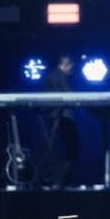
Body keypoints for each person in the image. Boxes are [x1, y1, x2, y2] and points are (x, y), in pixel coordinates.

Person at [42, 54, 79, 186]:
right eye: (71, 68)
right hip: (60, 116)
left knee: (68, 149)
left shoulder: (55, 75)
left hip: (59, 115)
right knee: (72, 149)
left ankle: (59, 178)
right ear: (65, 64)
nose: (71, 72)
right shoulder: (58, 76)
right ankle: (58, 178)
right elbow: (68, 95)